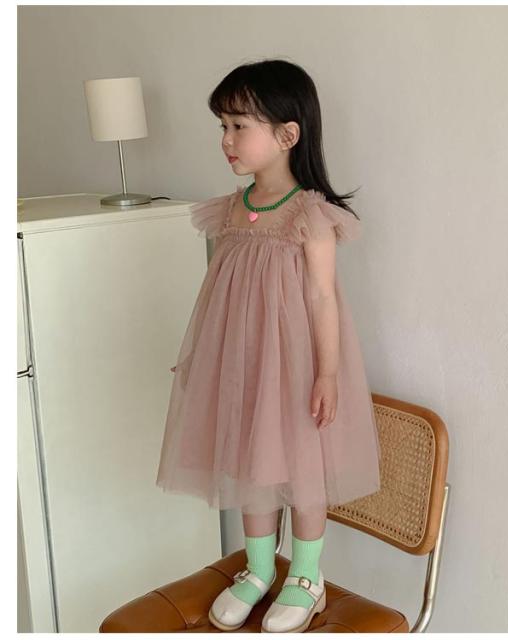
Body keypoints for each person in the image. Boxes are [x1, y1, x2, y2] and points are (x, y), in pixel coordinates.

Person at [155, 58, 381, 633]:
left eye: (239, 126)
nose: (226, 140)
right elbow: (218, 293)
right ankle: (259, 568)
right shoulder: (234, 208)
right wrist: (200, 355)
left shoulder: (309, 215)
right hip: (244, 364)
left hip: (296, 368)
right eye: (223, 126)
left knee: (303, 468)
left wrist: (326, 374)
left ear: (287, 134)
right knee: (251, 465)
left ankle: (306, 576)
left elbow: (323, 299)